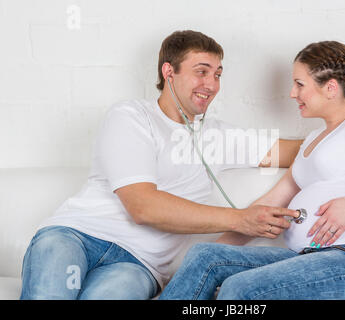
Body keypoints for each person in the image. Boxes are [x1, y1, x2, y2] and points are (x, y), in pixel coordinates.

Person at [19, 30, 302, 300]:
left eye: (217, 75)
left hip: (138, 263)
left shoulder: (221, 137)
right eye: (201, 71)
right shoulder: (131, 116)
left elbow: (298, 151)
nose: (212, 85)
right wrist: (241, 218)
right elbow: (142, 206)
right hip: (76, 234)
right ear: (169, 72)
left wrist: (339, 118)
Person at [159, 40, 345, 300]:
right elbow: (268, 205)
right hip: (304, 257)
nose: (291, 93)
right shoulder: (312, 141)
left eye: (299, 84)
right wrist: (219, 249)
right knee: (205, 256)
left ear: (330, 87)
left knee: (241, 289)